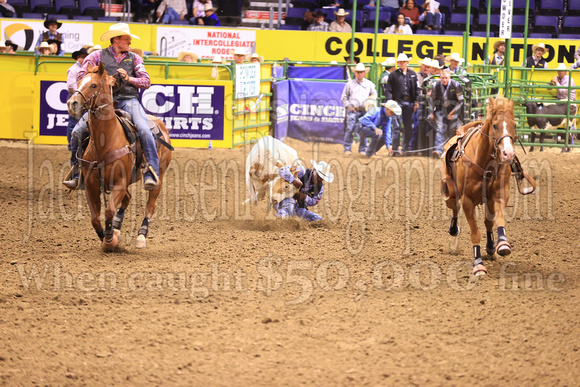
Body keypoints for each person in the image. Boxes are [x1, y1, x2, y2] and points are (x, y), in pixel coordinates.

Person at [63, 23, 160, 191]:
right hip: (101, 103)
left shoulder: (135, 58)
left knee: (144, 129)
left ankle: (150, 171)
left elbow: (146, 81)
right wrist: (98, 76)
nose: (130, 43)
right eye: (127, 39)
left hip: (128, 100)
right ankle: (77, 172)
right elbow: (81, 76)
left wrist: (129, 78)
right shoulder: (95, 56)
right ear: (116, 39)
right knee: (77, 132)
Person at [384, 53, 419, 155]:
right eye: (400, 62)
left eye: (404, 62)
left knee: (408, 127)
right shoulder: (393, 75)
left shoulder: (412, 74)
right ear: (398, 63)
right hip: (397, 103)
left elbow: (417, 89)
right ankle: (395, 149)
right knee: (397, 126)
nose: (402, 63)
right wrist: (390, 103)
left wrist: (416, 101)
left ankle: (405, 148)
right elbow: (388, 90)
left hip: (409, 103)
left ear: (407, 62)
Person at [341, 62, 377, 154]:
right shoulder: (349, 84)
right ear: (355, 73)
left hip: (365, 110)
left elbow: (374, 94)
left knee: (364, 130)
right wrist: (349, 106)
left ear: (364, 72)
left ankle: (362, 149)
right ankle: (347, 149)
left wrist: (370, 101)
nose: (359, 74)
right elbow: (344, 97)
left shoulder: (370, 84)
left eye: (361, 72)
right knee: (350, 128)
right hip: (353, 109)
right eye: (357, 72)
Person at [430, 69, 464, 158]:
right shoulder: (436, 85)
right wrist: (431, 112)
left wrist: (453, 112)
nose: (444, 80)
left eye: (446, 78)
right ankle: (438, 150)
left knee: (452, 130)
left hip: (453, 109)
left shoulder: (456, 85)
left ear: (449, 77)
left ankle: (449, 150)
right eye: (442, 78)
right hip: (440, 109)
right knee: (439, 128)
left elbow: (461, 101)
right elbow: (431, 100)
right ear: (440, 78)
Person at [65, 47, 88, 168]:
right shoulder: (73, 69)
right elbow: (70, 85)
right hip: (76, 96)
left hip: (81, 96)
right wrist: (82, 91)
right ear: (78, 58)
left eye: (85, 57)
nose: (83, 59)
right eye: (82, 57)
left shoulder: (84, 69)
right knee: (74, 122)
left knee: (77, 122)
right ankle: (71, 144)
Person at [550, 63, 576, 152]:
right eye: (559, 71)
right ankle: (559, 140)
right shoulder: (557, 78)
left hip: (569, 102)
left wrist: (556, 83)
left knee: (569, 123)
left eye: (562, 71)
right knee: (564, 122)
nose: (560, 72)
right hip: (561, 102)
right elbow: (548, 88)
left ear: (565, 72)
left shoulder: (569, 80)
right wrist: (551, 82)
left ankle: (569, 143)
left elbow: (563, 91)